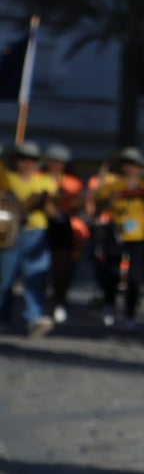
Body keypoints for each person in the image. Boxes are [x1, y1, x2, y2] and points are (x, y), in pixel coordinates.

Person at [0, 141, 59, 337]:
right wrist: (29, 203)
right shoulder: (6, 179)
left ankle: (34, 317)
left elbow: (53, 213)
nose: (27, 163)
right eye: (23, 158)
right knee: (5, 279)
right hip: (8, 233)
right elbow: (13, 208)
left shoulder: (45, 181)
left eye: (32, 159)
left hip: (36, 233)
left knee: (36, 277)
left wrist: (44, 201)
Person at [91, 148, 144, 330]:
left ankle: (130, 313)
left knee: (135, 276)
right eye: (128, 164)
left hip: (139, 234)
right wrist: (111, 201)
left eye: (134, 165)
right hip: (117, 232)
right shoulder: (112, 186)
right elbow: (98, 208)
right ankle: (109, 305)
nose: (131, 168)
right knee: (112, 272)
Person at [41, 142, 84, 323]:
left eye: (60, 162)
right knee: (40, 267)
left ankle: (59, 301)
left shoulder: (73, 183)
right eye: (53, 161)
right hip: (41, 224)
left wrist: (73, 204)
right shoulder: (38, 177)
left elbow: (78, 205)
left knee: (62, 268)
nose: (56, 165)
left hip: (64, 225)